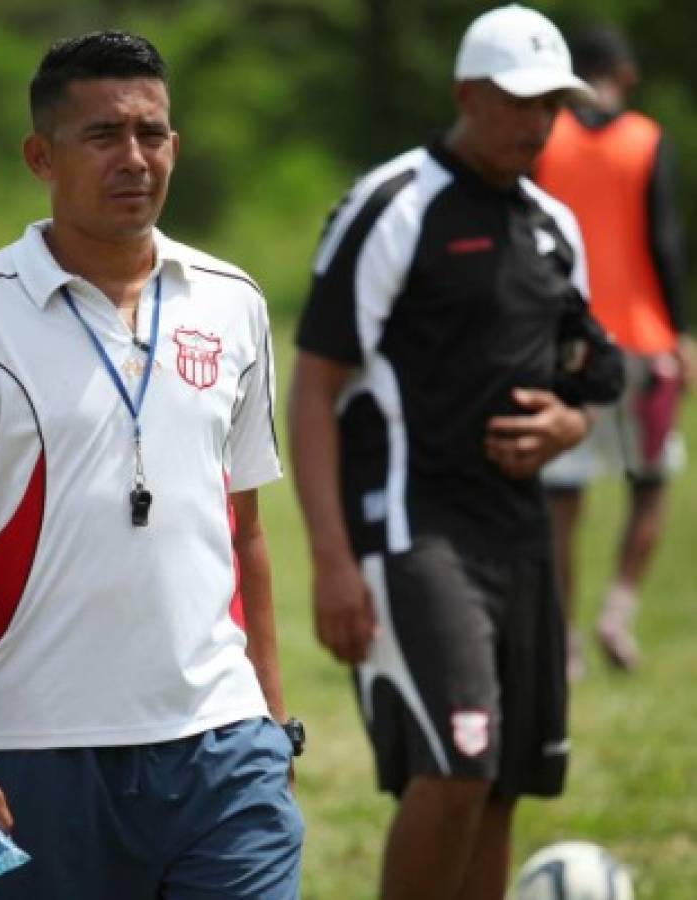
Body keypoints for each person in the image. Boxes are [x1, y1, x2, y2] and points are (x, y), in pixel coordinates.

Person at [0, 31, 304, 899]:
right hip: (39, 759)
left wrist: (271, 719)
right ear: (41, 155)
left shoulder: (234, 302)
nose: (134, 159)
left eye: (152, 134)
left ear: (176, 147)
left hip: (224, 752)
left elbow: (246, 530)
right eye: (103, 136)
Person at [288, 6, 624, 899]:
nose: (536, 123)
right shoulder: (394, 206)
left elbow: (586, 375)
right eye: (517, 102)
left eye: (551, 104)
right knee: (457, 764)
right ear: (465, 94)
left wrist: (571, 426)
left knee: (504, 784)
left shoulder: (553, 227)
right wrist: (331, 561)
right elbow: (314, 390)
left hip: (520, 540)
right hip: (412, 531)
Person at [533, 25, 695, 678]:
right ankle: (618, 609)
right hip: (642, 341)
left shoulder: (546, 138)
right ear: (625, 73)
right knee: (651, 487)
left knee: (561, 501)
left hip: (565, 343)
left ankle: (565, 639)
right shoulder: (647, 140)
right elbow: (665, 242)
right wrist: (682, 332)